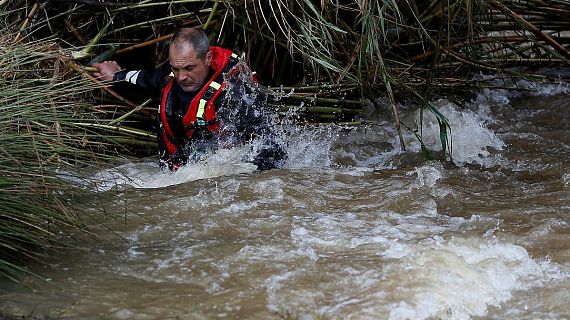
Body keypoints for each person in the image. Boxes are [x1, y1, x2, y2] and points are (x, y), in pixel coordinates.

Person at [92, 27, 286, 171]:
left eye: (189, 68)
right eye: (176, 69)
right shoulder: (171, 77)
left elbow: (273, 145)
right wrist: (116, 76)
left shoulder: (235, 92)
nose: (181, 77)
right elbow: (146, 79)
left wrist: (244, 178)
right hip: (176, 175)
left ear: (208, 59)